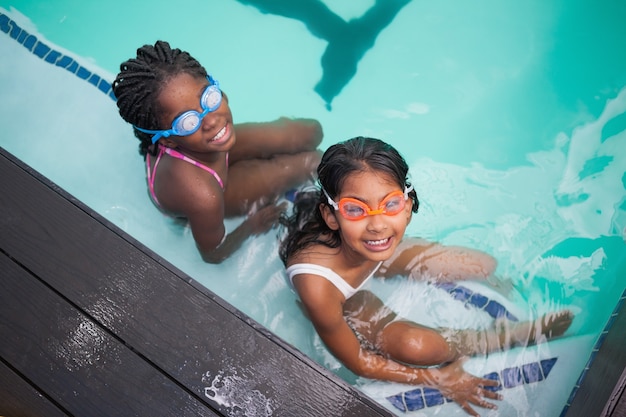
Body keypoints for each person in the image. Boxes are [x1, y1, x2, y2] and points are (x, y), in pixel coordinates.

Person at [279, 136, 573, 416]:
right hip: (345, 289)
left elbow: (376, 227)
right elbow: (357, 360)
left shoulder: (375, 236)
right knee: (416, 347)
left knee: (483, 266)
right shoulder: (318, 285)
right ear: (331, 216)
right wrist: (436, 379)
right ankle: (502, 337)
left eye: (390, 204)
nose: (378, 225)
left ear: (407, 206)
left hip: (363, 252)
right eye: (355, 210)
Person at [112, 40, 322, 263]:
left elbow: (202, 119)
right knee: (314, 162)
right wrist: (250, 227)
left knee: (310, 132)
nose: (211, 120)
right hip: (208, 183)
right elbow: (213, 253)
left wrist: (195, 121)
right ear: (169, 140)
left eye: (209, 97)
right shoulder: (202, 195)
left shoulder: (202, 131)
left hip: (202, 149)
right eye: (187, 121)